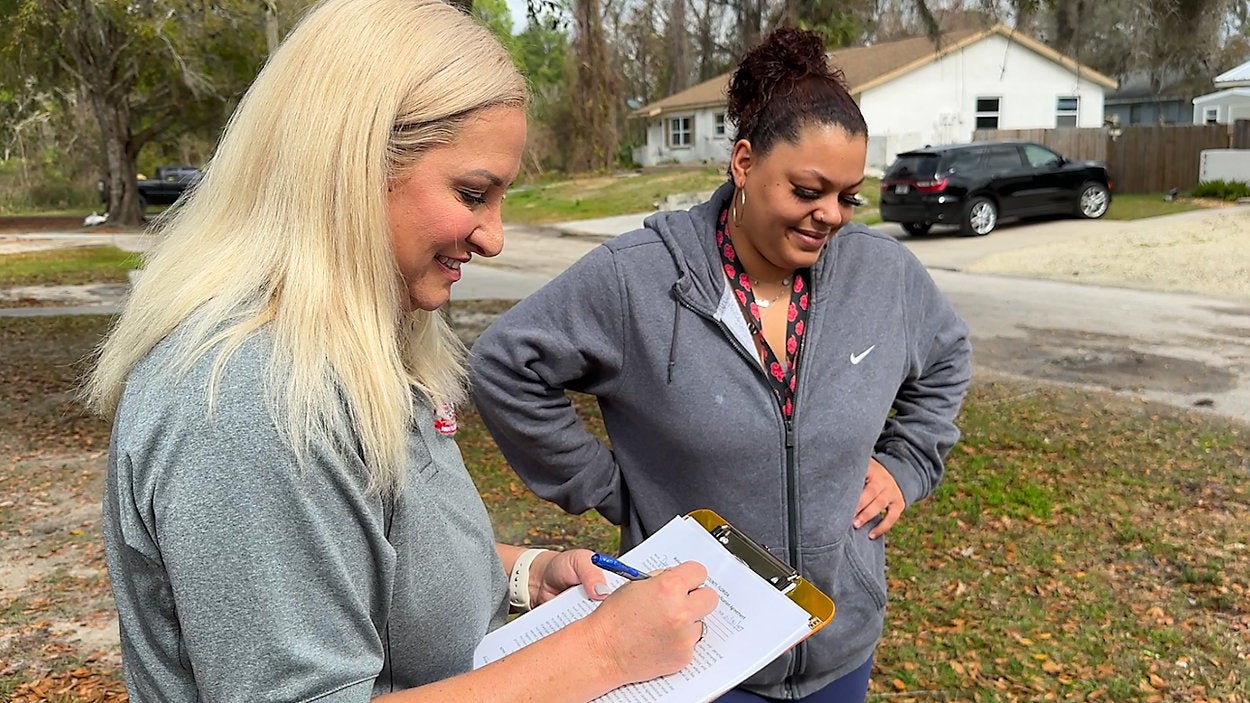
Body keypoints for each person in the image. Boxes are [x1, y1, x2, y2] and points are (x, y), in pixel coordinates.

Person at [85, 0, 716, 700]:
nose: (494, 237)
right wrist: (598, 653)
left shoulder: (360, 349)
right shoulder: (246, 397)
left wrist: (521, 574)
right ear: (351, 164)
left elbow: (361, 557)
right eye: (473, 192)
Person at [469, 27, 972, 703]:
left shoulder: (884, 277)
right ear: (743, 162)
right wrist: (614, 489)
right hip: (694, 652)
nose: (830, 215)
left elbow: (947, 355)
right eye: (807, 189)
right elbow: (506, 363)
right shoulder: (637, 280)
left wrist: (909, 461)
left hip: (838, 650)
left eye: (848, 196)